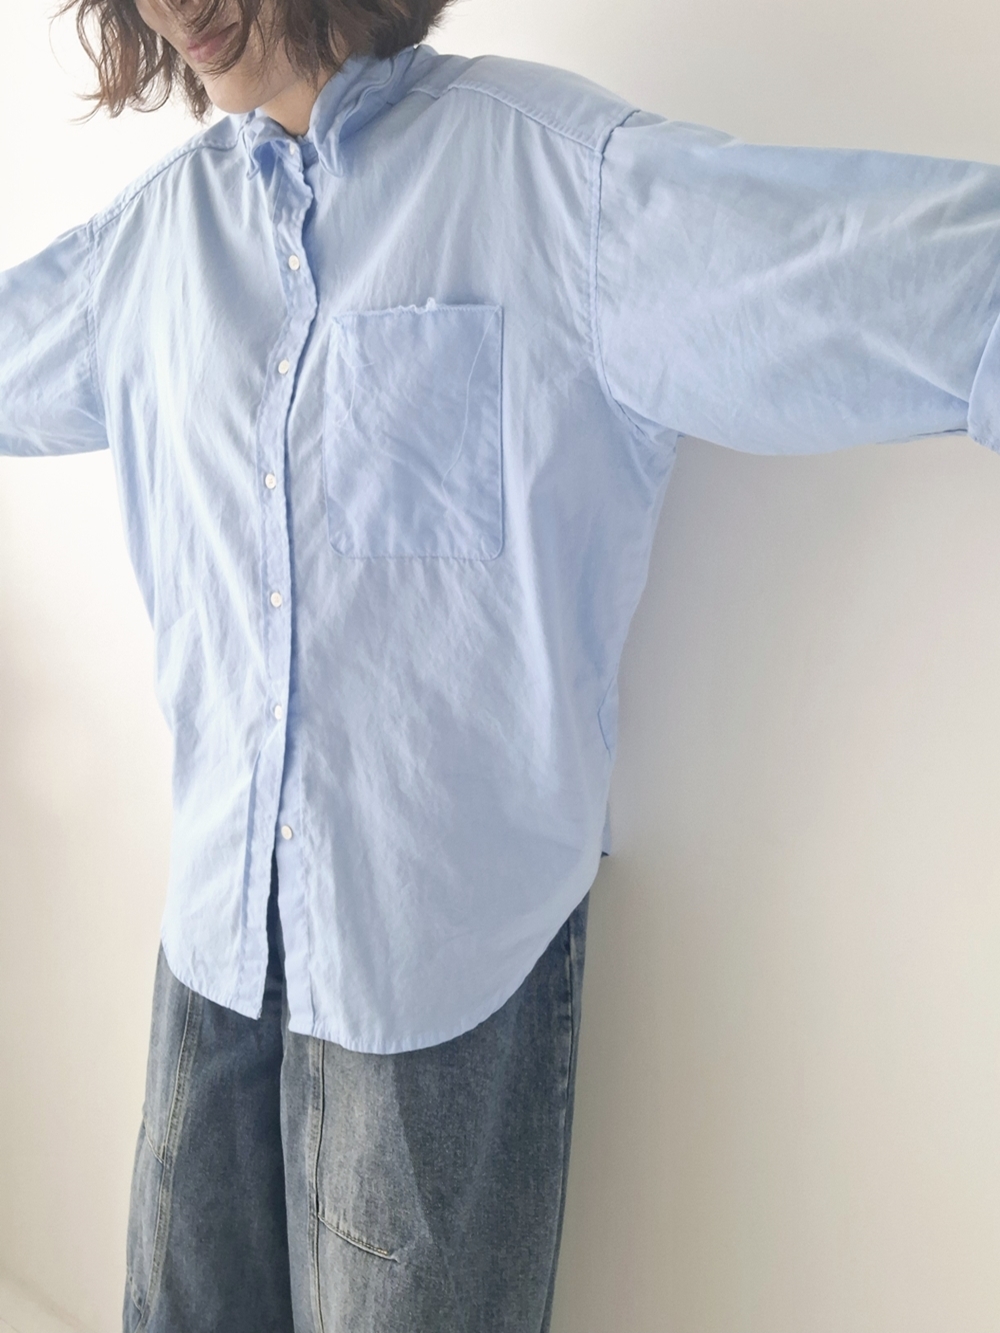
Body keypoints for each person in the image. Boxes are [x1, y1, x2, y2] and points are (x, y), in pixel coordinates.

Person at [2, 0, 1000, 1328]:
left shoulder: (554, 184)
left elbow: (901, 274)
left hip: (434, 992)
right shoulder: (153, 246)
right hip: (212, 956)